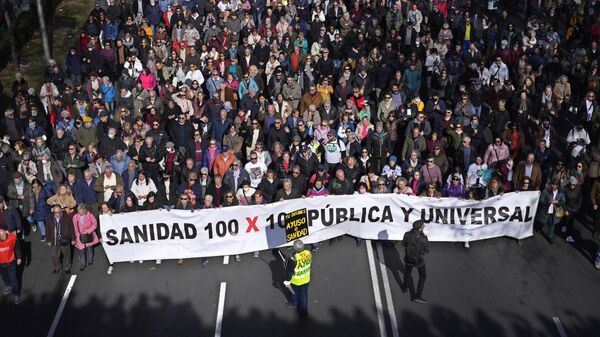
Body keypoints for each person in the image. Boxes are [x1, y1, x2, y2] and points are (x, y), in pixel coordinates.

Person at [402, 219, 429, 303]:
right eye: (423, 225)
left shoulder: (407, 234)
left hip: (408, 258)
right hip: (418, 261)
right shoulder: (423, 238)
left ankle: (404, 288)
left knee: (407, 272)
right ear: (420, 228)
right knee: (423, 276)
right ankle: (417, 296)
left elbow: (404, 243)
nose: (424, 226)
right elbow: (427, 250)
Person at [284, 239, 312, 319]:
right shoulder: (308, 253)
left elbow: (289, 271)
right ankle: (304, 312)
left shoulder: (293, 259)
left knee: (293, 292)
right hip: (306, 279)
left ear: (294, 248)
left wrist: (287, 282)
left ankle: (294, 303)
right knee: (304, 296)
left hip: (296, 280)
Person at [45, 204, 75, 274]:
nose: (57, 214)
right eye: (55, 212)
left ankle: (67, 267)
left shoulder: (67, 218)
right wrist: (48, 240)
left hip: (64, 240)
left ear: (61, 210)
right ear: (53, 212)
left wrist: (73, 239)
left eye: (58, 212)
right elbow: (47, 230)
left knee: (66, 255)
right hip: (54, 241)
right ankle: (57, 267)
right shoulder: (49, 219)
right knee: (54, 255)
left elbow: (71, 228)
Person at [72, 205, 99, 271]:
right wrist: (77, 235)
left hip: (88, 235)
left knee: (90, 248)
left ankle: (90, 259)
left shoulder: (90, 215)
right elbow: (75, 227)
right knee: (81, 251)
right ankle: (83, 264)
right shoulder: (75, 217)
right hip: (80, 236)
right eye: (78, 212)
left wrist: (88, 231)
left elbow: (95, 224)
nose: (79, 213)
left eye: (80, 212)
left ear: (84, 210)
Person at [0, 228, 22, 304]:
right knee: (4, 276)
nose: (5, 236)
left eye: (5, 235)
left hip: (10, 262)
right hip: (1, 263)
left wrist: (19, 257)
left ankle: (16, 294)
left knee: (13, 278)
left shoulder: (12, 238)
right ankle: (7, 286)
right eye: (2, 236)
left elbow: (17, 248)